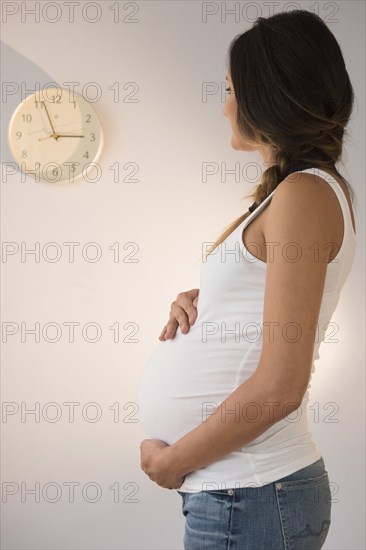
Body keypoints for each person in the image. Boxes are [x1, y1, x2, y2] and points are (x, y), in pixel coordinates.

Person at [139, 9, 357, 550]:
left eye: (233, 89)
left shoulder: (304, 195)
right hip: (244, 494)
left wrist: (174, 461)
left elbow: (282, 384)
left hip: (251, 494)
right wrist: (201, 302)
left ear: (268, 95)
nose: (225, 106)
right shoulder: (293, 195)